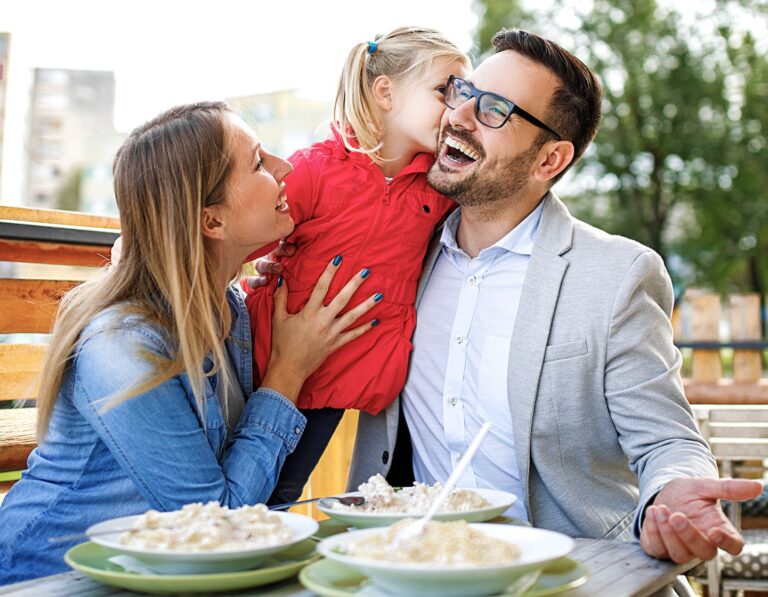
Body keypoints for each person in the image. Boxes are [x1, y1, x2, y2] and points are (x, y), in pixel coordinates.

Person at [343, 28, 763, 567]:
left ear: (550, 160)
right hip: (416, 570)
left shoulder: (617, 275)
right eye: (462, 91)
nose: (460, 115)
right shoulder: (399, 254)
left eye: (494, 110)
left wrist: (673, 493)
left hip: (568, 574)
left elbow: (666, 442)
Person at [0, 101, 379, 584]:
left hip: (154, 574)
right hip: (46, 577)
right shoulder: (123, 346)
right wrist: (288, 371)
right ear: (212, 222)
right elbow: (218, 522)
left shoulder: (231, 309)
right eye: (260, 163)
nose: (286, 168)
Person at [243, 27, 470, 505]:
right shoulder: (315, 170)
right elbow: (236, 243)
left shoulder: (437, 188)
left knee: (282, 495)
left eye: (463, 96)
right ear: (385, 92)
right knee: (253, 497)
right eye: (443, 92)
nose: (456, 110)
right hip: (265, 371)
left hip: (336, 384)